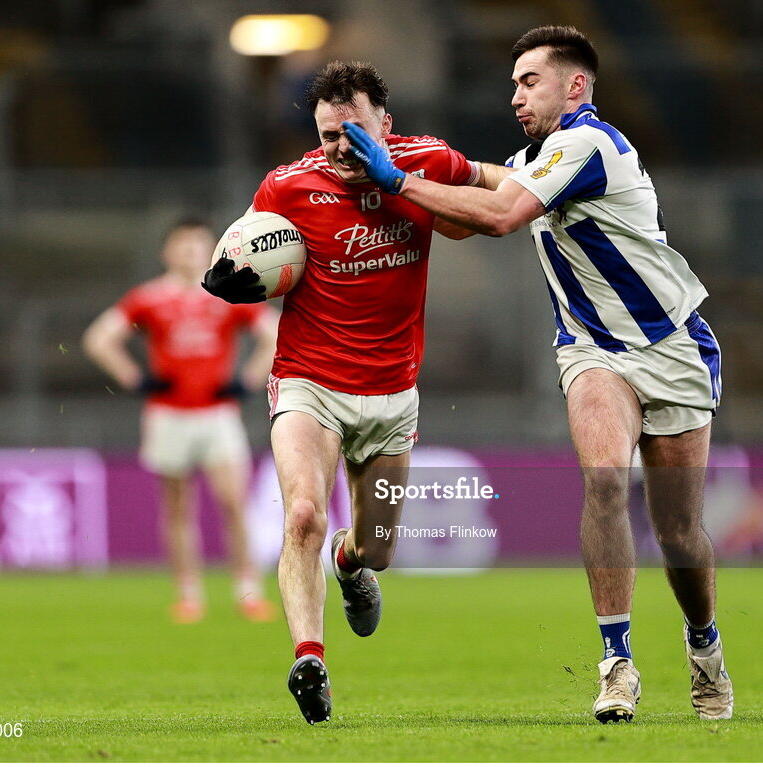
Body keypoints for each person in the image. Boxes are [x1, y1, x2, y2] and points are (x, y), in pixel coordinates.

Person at [344, 25, 732, 723]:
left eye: (529, 81)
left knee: (679, 533)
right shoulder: (544, 155)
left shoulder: (589, 144)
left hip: (670, 347)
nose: (514, 95)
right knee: (605, 482)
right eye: (514, 83)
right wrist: (419, 166)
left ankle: (704, 644)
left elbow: (499, 213)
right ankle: (617, 664)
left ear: (574, 85)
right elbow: (490, 184)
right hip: (591, 350)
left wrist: (400, 178)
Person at [201, 61, 505, 724]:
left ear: (385, 125)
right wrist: (226, 279)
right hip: (309, 383)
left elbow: (507, 193)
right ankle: (309, 656)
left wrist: (551, 186)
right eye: (327, 134)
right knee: (303, 513)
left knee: (377, 549)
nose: (340, 147)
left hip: (393, 393)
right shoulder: (287, 186)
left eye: (354, 131)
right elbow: (246, 253)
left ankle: (351, 562)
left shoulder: (425, 162)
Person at [83, 216, 279, 625]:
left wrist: (247, 381)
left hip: (217, 413)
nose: (190, 252)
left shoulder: (226, 294)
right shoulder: (149, 298)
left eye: (198, 244)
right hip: (168, 414)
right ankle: (188, 594)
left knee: (233, 504)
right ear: (167, 251)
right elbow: (99, 339)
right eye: (182, 244)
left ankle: (248, 591)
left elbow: (274, 333)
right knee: (177, 508)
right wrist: (135, 379)